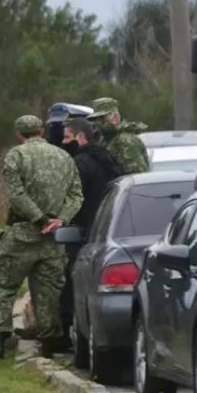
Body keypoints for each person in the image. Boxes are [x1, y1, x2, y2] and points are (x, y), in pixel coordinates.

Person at [0, 115, 82, 359]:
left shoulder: (16, 156)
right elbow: (76, 195)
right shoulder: (63, 156)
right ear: (41, 131)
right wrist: (59, 220)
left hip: (22, 233)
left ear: (18, 134)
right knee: (48, 292)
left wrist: (39, 218)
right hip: (53, 238)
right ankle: (49, 346)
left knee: (4, 284)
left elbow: (17, 194)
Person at [59, 117, 123, 349]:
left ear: (81, 137)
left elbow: (73, 199)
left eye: (67, 137)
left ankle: (66, 334)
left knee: (74, 284)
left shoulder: (79, 164)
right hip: (109, 230)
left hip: (85, 233)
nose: (63, 142)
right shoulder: (110, 159)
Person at [88, 97, 149, 174]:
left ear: (115, 117)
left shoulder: (125, 141)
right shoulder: (105, 140)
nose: (98, 123)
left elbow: (137, 175)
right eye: (95, 119)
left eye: (101, 118)